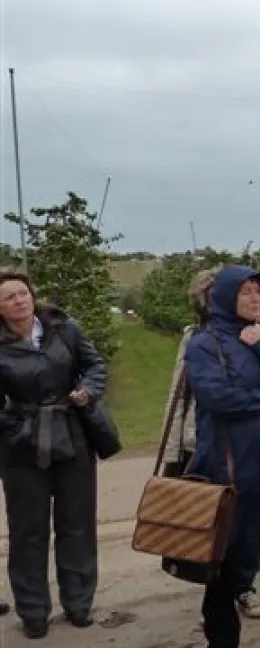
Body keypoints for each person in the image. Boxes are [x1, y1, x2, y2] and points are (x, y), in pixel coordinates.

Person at [184, 265, 260, 648]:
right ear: (223, 297)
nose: (255, 298)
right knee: (224, 568)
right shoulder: (204, 344)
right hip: (229, 470)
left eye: (258, 290)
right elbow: (219, 398)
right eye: (245, 291)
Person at [0, 268, 107, 639]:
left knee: (76, 525)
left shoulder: (65, 328)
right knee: (28, 532)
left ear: (32, 295)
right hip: (21, 446)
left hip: (72, 436)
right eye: (9, 296)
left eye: (23, 292)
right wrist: (13, 424)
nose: (19, 299)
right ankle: (33, 612)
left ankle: (79, 603)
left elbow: (94, 365)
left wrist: (88, 391)